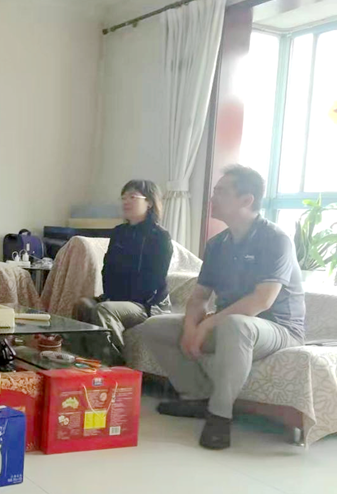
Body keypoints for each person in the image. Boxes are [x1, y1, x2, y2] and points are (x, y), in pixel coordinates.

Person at [135, 165, 305, 450]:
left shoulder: (275, 240)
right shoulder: (217, 244)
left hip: (278, 328)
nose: (212, 197)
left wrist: (207, 325)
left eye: (221, 192)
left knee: (235, 325)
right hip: (230, 324)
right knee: (154, 327)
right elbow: (199, 297)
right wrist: (192, 326)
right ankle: (197, 397)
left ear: (246, 200)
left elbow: (262, 301)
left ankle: (220, 415)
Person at [73, 180, 172, 362]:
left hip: (148, 303)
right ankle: (84, 362)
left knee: (104, 310)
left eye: (132, 197)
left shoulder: (160, 237)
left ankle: (115, 367)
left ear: (149, 202)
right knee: (82, 305)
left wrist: (117, 299)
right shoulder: (119, 232)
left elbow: (154, 280)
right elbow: (107, 270)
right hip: (118, 299)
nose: (126, 202)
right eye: (123, 198)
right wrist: (111, 296)